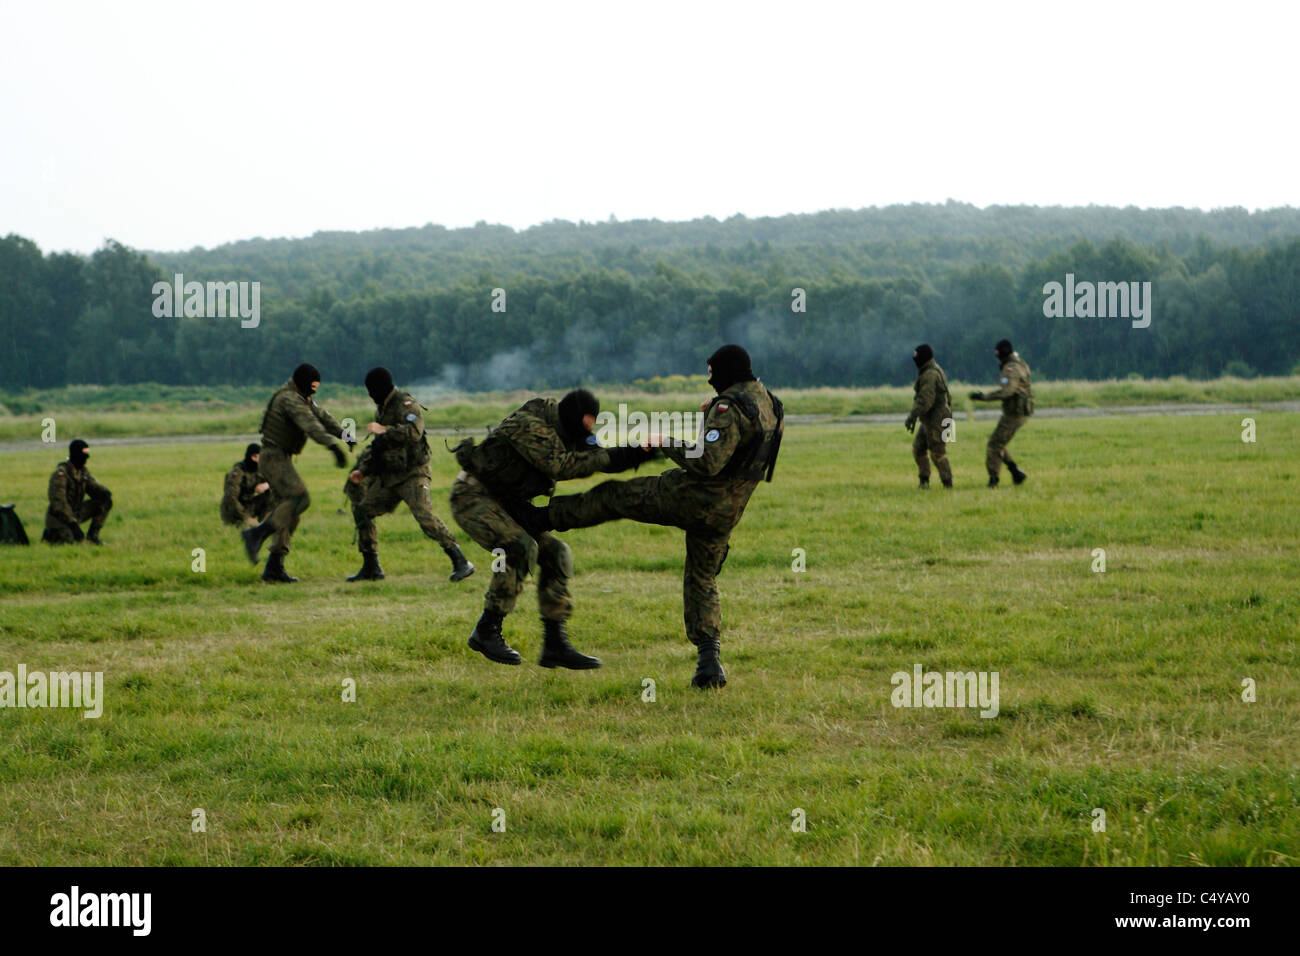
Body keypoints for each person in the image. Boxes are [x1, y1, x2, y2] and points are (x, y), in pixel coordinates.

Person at [536, 345, 783, 690]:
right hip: (728, 511)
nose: (709, 378)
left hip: (693, 498)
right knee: (702, 578)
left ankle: (542, 517)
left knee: (614, 496)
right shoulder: (768, 402)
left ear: (725, 371)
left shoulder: (727, 407)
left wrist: (665, 441)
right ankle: (709, 662)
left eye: (711, 372)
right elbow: (745, 449)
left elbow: (707, 461)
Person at [449, 388, 652, 669]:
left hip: (509, 502)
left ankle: (555, 645)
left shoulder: (568, 427)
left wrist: (638, 452)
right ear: (574, 419)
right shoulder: (531, 425)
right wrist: (616, 457)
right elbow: (562, 465)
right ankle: (487, 630)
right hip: (473, 496)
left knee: (557, 553)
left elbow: (594, 453)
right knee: (520, 547)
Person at [344, 366, 475, 583]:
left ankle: (461, 561)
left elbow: (414, 433)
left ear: (378, 388)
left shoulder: (406, 404)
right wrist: (363, 471)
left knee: (425, 518)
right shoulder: (383, 408)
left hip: (413, 474)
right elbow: (379, 447)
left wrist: (384, 429)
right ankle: (371, 566)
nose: (369, 395)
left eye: (371, 390)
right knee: (363, 510)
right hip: (391, 477)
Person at [241, 363, 350, 581]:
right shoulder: (289, 400)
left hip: (281, 457)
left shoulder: (302, 395)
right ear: (303, 384)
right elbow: (309, 423)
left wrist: (344, 434)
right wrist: (332, 446)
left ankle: (274, 567)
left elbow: (321, 415)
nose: (314, 392)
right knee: (300, 498)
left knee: (290, 512)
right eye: (312, 388)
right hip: (273, 457)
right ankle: (255, 535)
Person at [970, 339, 1033, 487]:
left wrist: (983, 397)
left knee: (994, 445)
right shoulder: (1020, 363)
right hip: (1020, 411)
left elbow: (1007, 391)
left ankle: (994, 480)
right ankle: (1016, 473)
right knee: (999, 443)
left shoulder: (1010, 368)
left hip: (1014, 413)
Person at [42, 439, 112, 544]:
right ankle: (50, 535)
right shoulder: (60, 475)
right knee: (70, 541)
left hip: (76, 512)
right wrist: (73, 524)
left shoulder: (82, 472)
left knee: (104, 502)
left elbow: (92, 486)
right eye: (83, 455)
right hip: (59, 518)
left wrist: (105, 492)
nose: (86, 459)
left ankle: (93, 535)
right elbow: (59, 504)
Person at [904, 343, 953, 489]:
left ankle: (948, 483)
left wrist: (912, 417)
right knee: (918, 448)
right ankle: (924, 481)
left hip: (938, 418)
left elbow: (925, 400)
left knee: (938, 453)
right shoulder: (930, 370)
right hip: (933, 418)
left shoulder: (930, 374)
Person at [221, 443, 272, 527]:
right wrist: (246, 518)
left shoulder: (259, 469)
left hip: (247, 504)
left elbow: (278, 482)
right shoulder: (237, 473)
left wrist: (266, 485)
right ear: (254, 457)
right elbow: (231, 498)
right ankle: (249, 523)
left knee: (272, 494)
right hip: (233, 511)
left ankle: (263, 523)